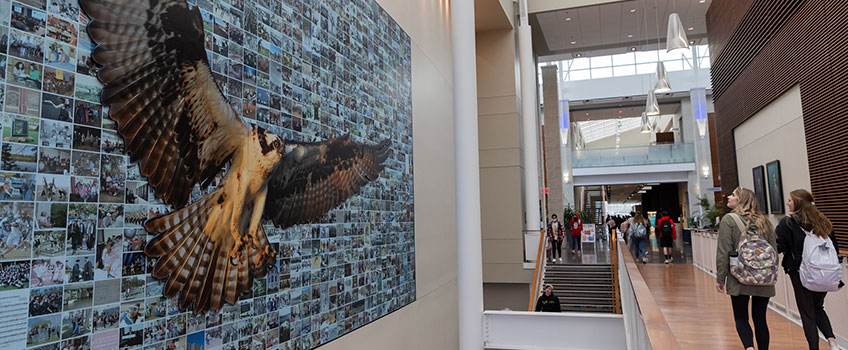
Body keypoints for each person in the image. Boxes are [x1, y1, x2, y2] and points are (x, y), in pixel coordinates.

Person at [775, 189, 842, 350]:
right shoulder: (823, 221)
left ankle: (814, 348)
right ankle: (832, 342)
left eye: (790, 200)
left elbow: (779, 247)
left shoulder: (787, 223)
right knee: (818, 307)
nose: (787, 203)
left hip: (800, 274)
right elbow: (835, 247)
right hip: (824, 272)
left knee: (807, 313)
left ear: (798, 202)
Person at [716, 187, 776, 350]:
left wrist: (721, 279)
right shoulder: (765, 221)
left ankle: (749, 348)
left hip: (739, 276)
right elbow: (774, 251)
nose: (728, 196)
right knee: (760, 319)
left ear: (740, 200)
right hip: (764, 276)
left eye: (733, 195)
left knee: (741, 318)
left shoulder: (728, 220)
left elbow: (723, 252)